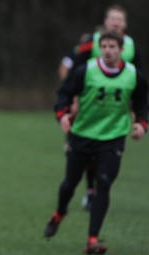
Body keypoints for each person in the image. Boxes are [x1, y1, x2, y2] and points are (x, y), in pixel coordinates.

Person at [44, 31, 148, 254]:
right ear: (100, 48)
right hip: (82, 134)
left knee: (103, 184)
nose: (108, 50)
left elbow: (142, 102)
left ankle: (92, 240)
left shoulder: (133, 75)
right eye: (105, 46)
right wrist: (62, 115)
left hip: (112, 138)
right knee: (70, 184)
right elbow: (64, 93)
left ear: (121, 50)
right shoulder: (86, 70)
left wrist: (141, 123)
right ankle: (59, 213)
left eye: (113, 46)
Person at [67, 5, 142, 210]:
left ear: (125, 24)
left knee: (106, 151)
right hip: (89, 104)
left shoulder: (132, 47)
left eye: (120, 19)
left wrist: (137, 111)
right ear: (106, 22)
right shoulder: (91, 42)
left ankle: (97, 189)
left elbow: (139, 80)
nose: (116, 22)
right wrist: (73, 99)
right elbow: (74, 68)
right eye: (112, 18)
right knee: (87, 149)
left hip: (116, 108)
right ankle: (91, 189)